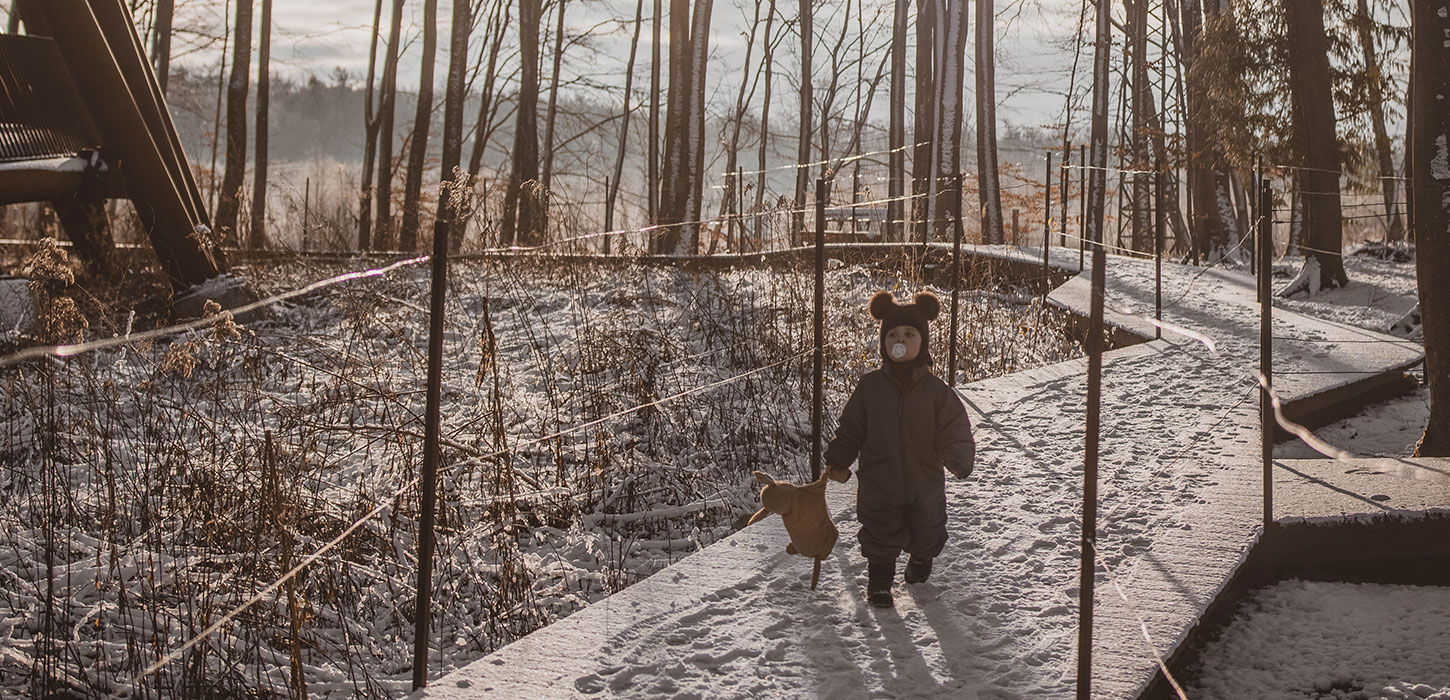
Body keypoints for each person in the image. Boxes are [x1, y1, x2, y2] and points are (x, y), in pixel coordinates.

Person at [823, 290, 976, 608]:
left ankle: (921, 559)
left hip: (924, 478)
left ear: (923, 341)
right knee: (879, 531)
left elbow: (954, 427)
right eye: (893, 334)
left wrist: (958, 456)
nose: (900, 340)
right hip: (880, 478)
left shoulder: (936, 392)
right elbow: (852, 428)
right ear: (882, 342)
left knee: (928, 527)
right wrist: (839, 459)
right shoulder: (870, 388)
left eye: (909, 334)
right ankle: (879, 583)